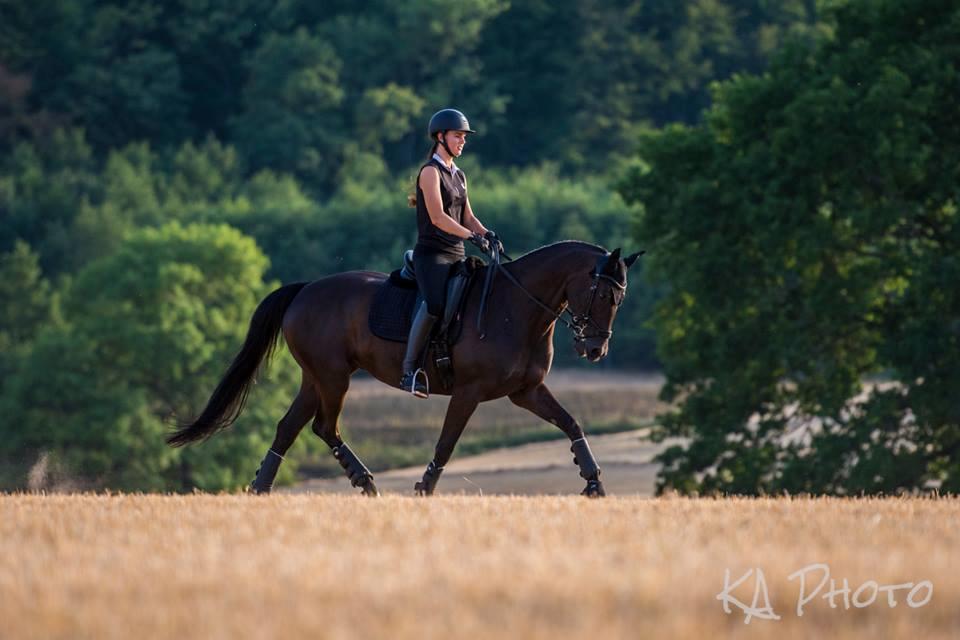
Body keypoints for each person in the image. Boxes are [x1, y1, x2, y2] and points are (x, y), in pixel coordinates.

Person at [400, 108, 502, 398]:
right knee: (434, 305)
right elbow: (438, 218)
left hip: (456, 253)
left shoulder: (459, 175)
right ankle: (409, 371)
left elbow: (467, 216)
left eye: (464, 137)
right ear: (440, 137)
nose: (462, 142)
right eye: (458, 136)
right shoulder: (430, 173)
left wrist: (485, 233)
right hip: (432, 255)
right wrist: (471, 236)